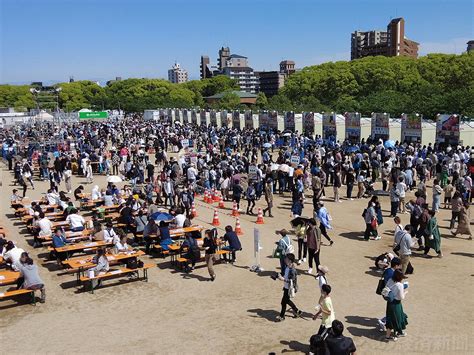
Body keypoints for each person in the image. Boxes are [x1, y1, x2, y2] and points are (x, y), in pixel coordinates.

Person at [275, 253, 302, 322]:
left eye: (286, 259)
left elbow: (292, 281)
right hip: (286, 287)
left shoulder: (292, 270)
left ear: (290, 260)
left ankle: (282, 316)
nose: (284, 259)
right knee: (285, 301)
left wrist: (283, 279)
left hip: (289, 288)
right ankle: (297, 311)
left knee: (284, 302)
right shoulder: (287, 267)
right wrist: (279, 276)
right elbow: (285, 275)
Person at [377, 257, 401, 332]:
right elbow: (391, 284)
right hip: (390, 294)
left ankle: (384, 321)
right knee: (393, 310)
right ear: (396, 266)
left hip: (386, 292)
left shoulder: (388, 270)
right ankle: (383, 321)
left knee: (391, 310)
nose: (400, 267)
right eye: (399, 265)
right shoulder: (392, 273)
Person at [385, 270, 409, 341]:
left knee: (391, 318)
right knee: (397, 318)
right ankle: (393, 334)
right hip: (396, 304)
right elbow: (401, 297)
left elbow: (389, 288)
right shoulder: (400, 285)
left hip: (390, 303)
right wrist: (405, 292)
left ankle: (393, 334)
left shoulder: (390, 280)